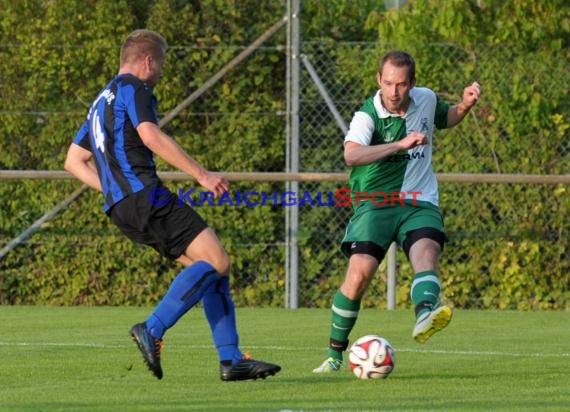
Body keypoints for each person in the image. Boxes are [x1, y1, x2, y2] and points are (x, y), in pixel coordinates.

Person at [64, 29, 281, 381]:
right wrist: (202, 174)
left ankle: (231, 359)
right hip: (147, 196)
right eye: (161, 63)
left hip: (122, 209)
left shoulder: (100, 100)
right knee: (217, 260)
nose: (162, 71)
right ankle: (153, 328)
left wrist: (113, 190)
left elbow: (73, 161)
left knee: (213, 270)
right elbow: (150, 135)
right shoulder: (135, 88)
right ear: (148, 60)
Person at [313, 50, 480, 373]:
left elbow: (446, 118)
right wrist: (399, 144)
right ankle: (334, 355)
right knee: (359, 275)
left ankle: (424, 315)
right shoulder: (367, 115)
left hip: (419, 200)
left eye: (401, 85)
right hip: (375, 204)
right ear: (378, 80)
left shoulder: (427, 100)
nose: (393, 92)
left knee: (426, 254)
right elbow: (351, 155)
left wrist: (465, 106)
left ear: (412, 84)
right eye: (388, 83)